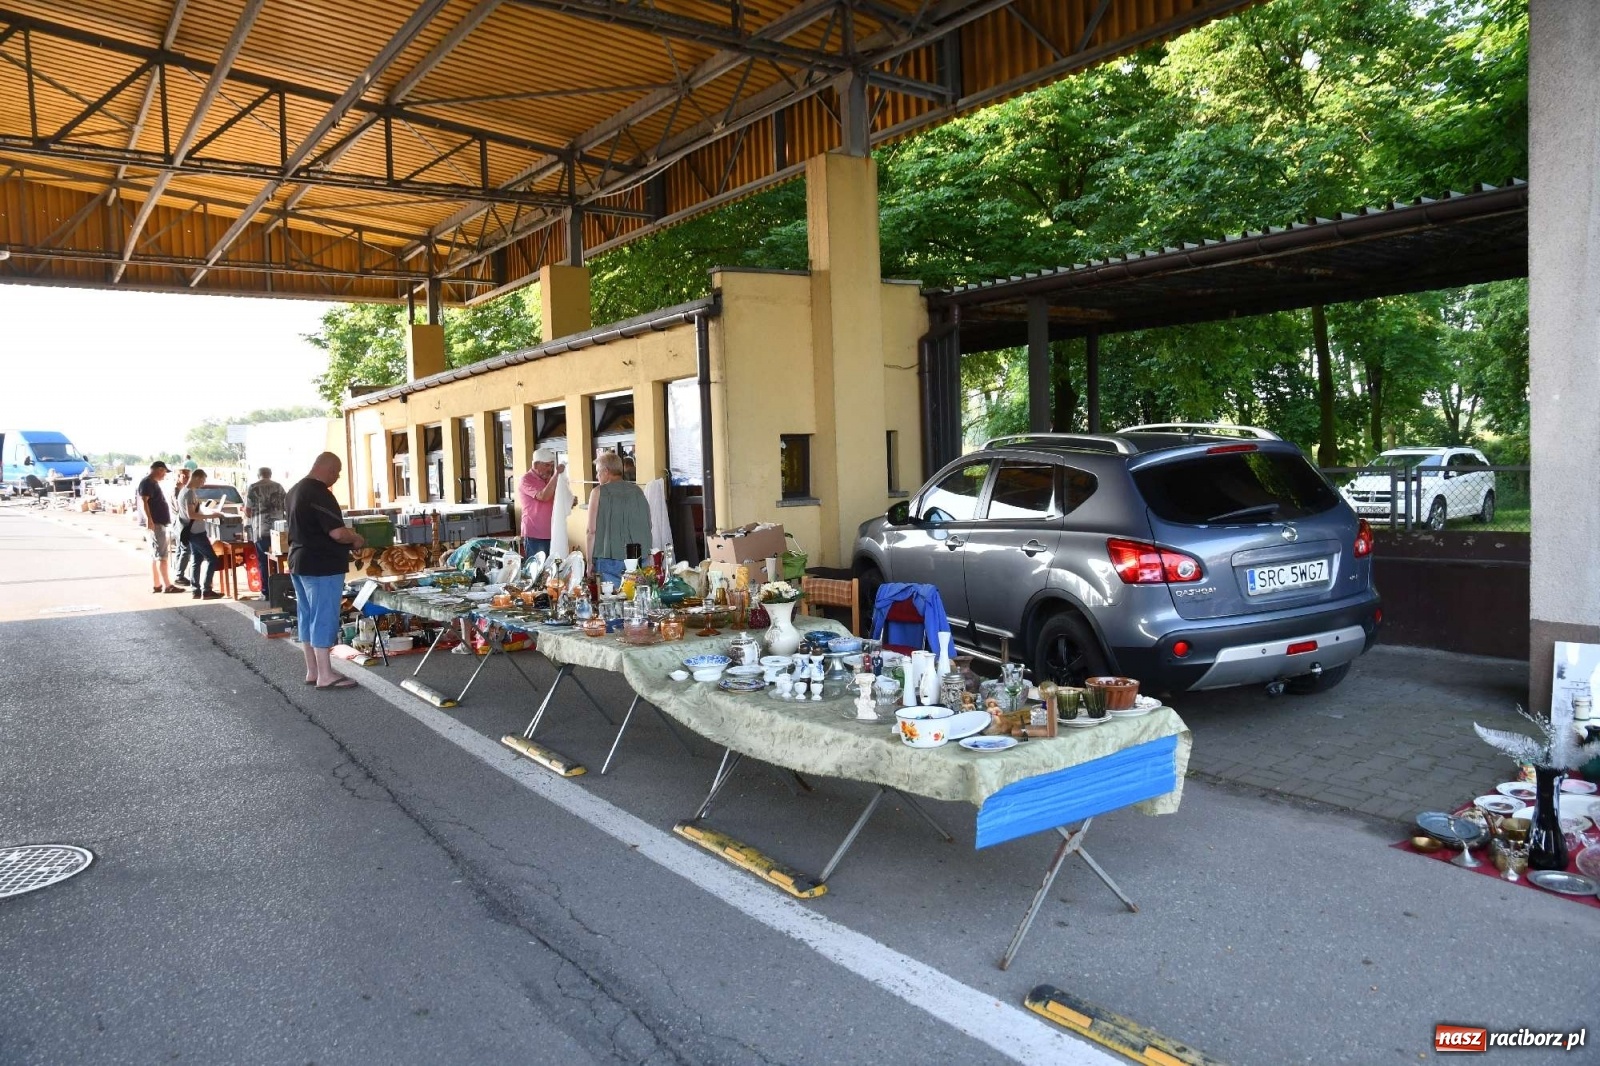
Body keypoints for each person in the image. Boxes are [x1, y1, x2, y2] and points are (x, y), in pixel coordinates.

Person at [287, 452, 365, 689]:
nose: (338, 477)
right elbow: (337, 533)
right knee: (323, 616)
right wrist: (356, 538)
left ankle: (312, 670)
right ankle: (326, 674)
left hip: (298, 560)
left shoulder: (294, 491)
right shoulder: (320, 493)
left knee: (307, 615)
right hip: (321, 564)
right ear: (329, 470)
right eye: (337, 472)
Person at [586, 450, 651, 589]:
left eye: (598, 472)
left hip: (608, 559)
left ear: (606, 471)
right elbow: (649, 524)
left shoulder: (598, 492)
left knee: (612, 604)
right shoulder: (638, 491)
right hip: (639, 558)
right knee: (637, 603)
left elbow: (591, 531)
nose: (597, 476)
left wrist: (589, 562)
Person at [135, 461, 183, 594]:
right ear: (159, 469)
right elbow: (144, 501)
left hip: (156, 523)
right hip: (155, 523)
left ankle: (157, 584)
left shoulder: (149, 482)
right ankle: (168, 585)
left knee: (155, 555)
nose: (164, 475)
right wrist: (149, 519)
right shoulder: (148, 482)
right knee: (162, 556)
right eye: (164, 472)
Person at [176, 469, 223, 599]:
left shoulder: (185, 492)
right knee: (212, 559)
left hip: (192, 531)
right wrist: (212, 515)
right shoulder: (189, 493)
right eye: (203, 480)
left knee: (197, 559)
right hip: (195, 532)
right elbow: (191, 514)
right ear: (197, 477)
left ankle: (195, 590)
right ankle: (206, 589)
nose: (203, 483)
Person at [244, 466, 286, 599]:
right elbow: (286, 506)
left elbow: (248, 511)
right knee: (279, 559)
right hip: (278, 529)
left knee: (263, 561)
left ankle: (266, 591)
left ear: (259, 475)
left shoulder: (253, 488)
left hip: (260, 530)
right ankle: (281, 591)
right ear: (270, 474)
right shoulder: (279, 487)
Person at [516, 448, 564, 560]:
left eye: (552, 466)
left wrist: (568, 500)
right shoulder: (526, 479)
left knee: (552, 570)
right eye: (547, 465)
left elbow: (555, 499)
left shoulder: (548, 479)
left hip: (553, 532)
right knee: (537, 570)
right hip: (535, 534)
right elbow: (543, 496)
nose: (550, 469)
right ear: (536, 464)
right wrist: (556, 475)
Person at [170, 467, 193, 586]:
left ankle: (179, 573)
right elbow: (180, 508)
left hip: (181, 522)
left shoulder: (184, 489)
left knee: (180, 548)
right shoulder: (176, 491)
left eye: (188, 477)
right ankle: (179, 575)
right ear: (178, 477)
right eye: (184, 476)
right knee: (185, 549)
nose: (187, 479)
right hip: (180, 522)